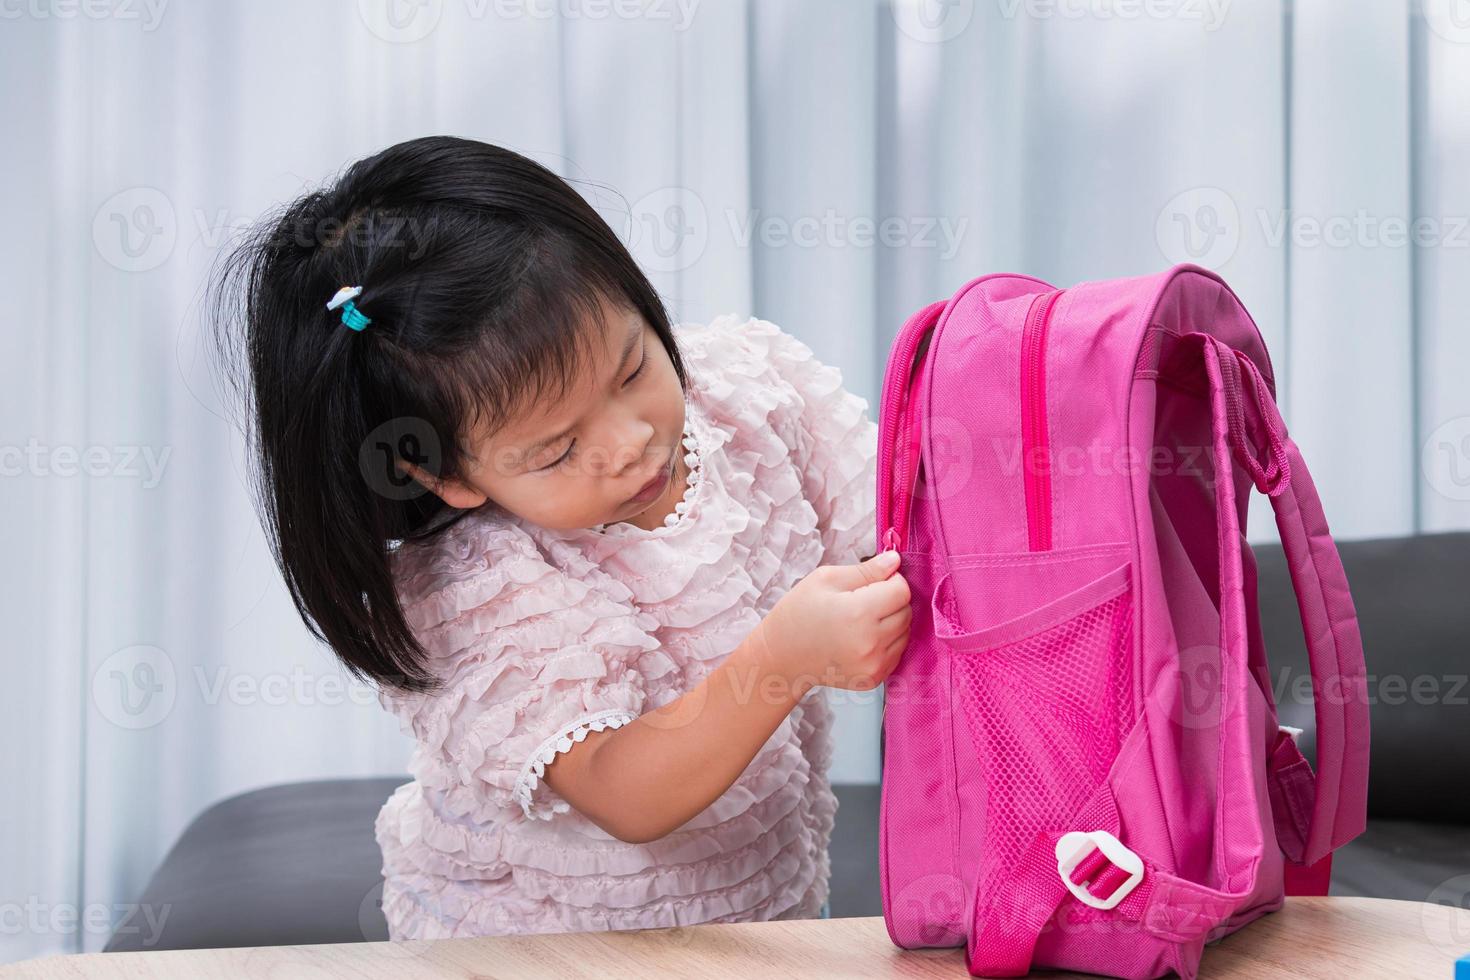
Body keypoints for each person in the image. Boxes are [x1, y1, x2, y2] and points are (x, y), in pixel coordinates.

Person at [208, 135, 911, 940]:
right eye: (557, 449)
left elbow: (898, 526)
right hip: (531, 946)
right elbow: (626, 792)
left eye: (631, 371)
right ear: (448, 475)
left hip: (764, 909)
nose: (630, 441)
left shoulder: (750, 393)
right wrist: (783, 658)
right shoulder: (479, 587)